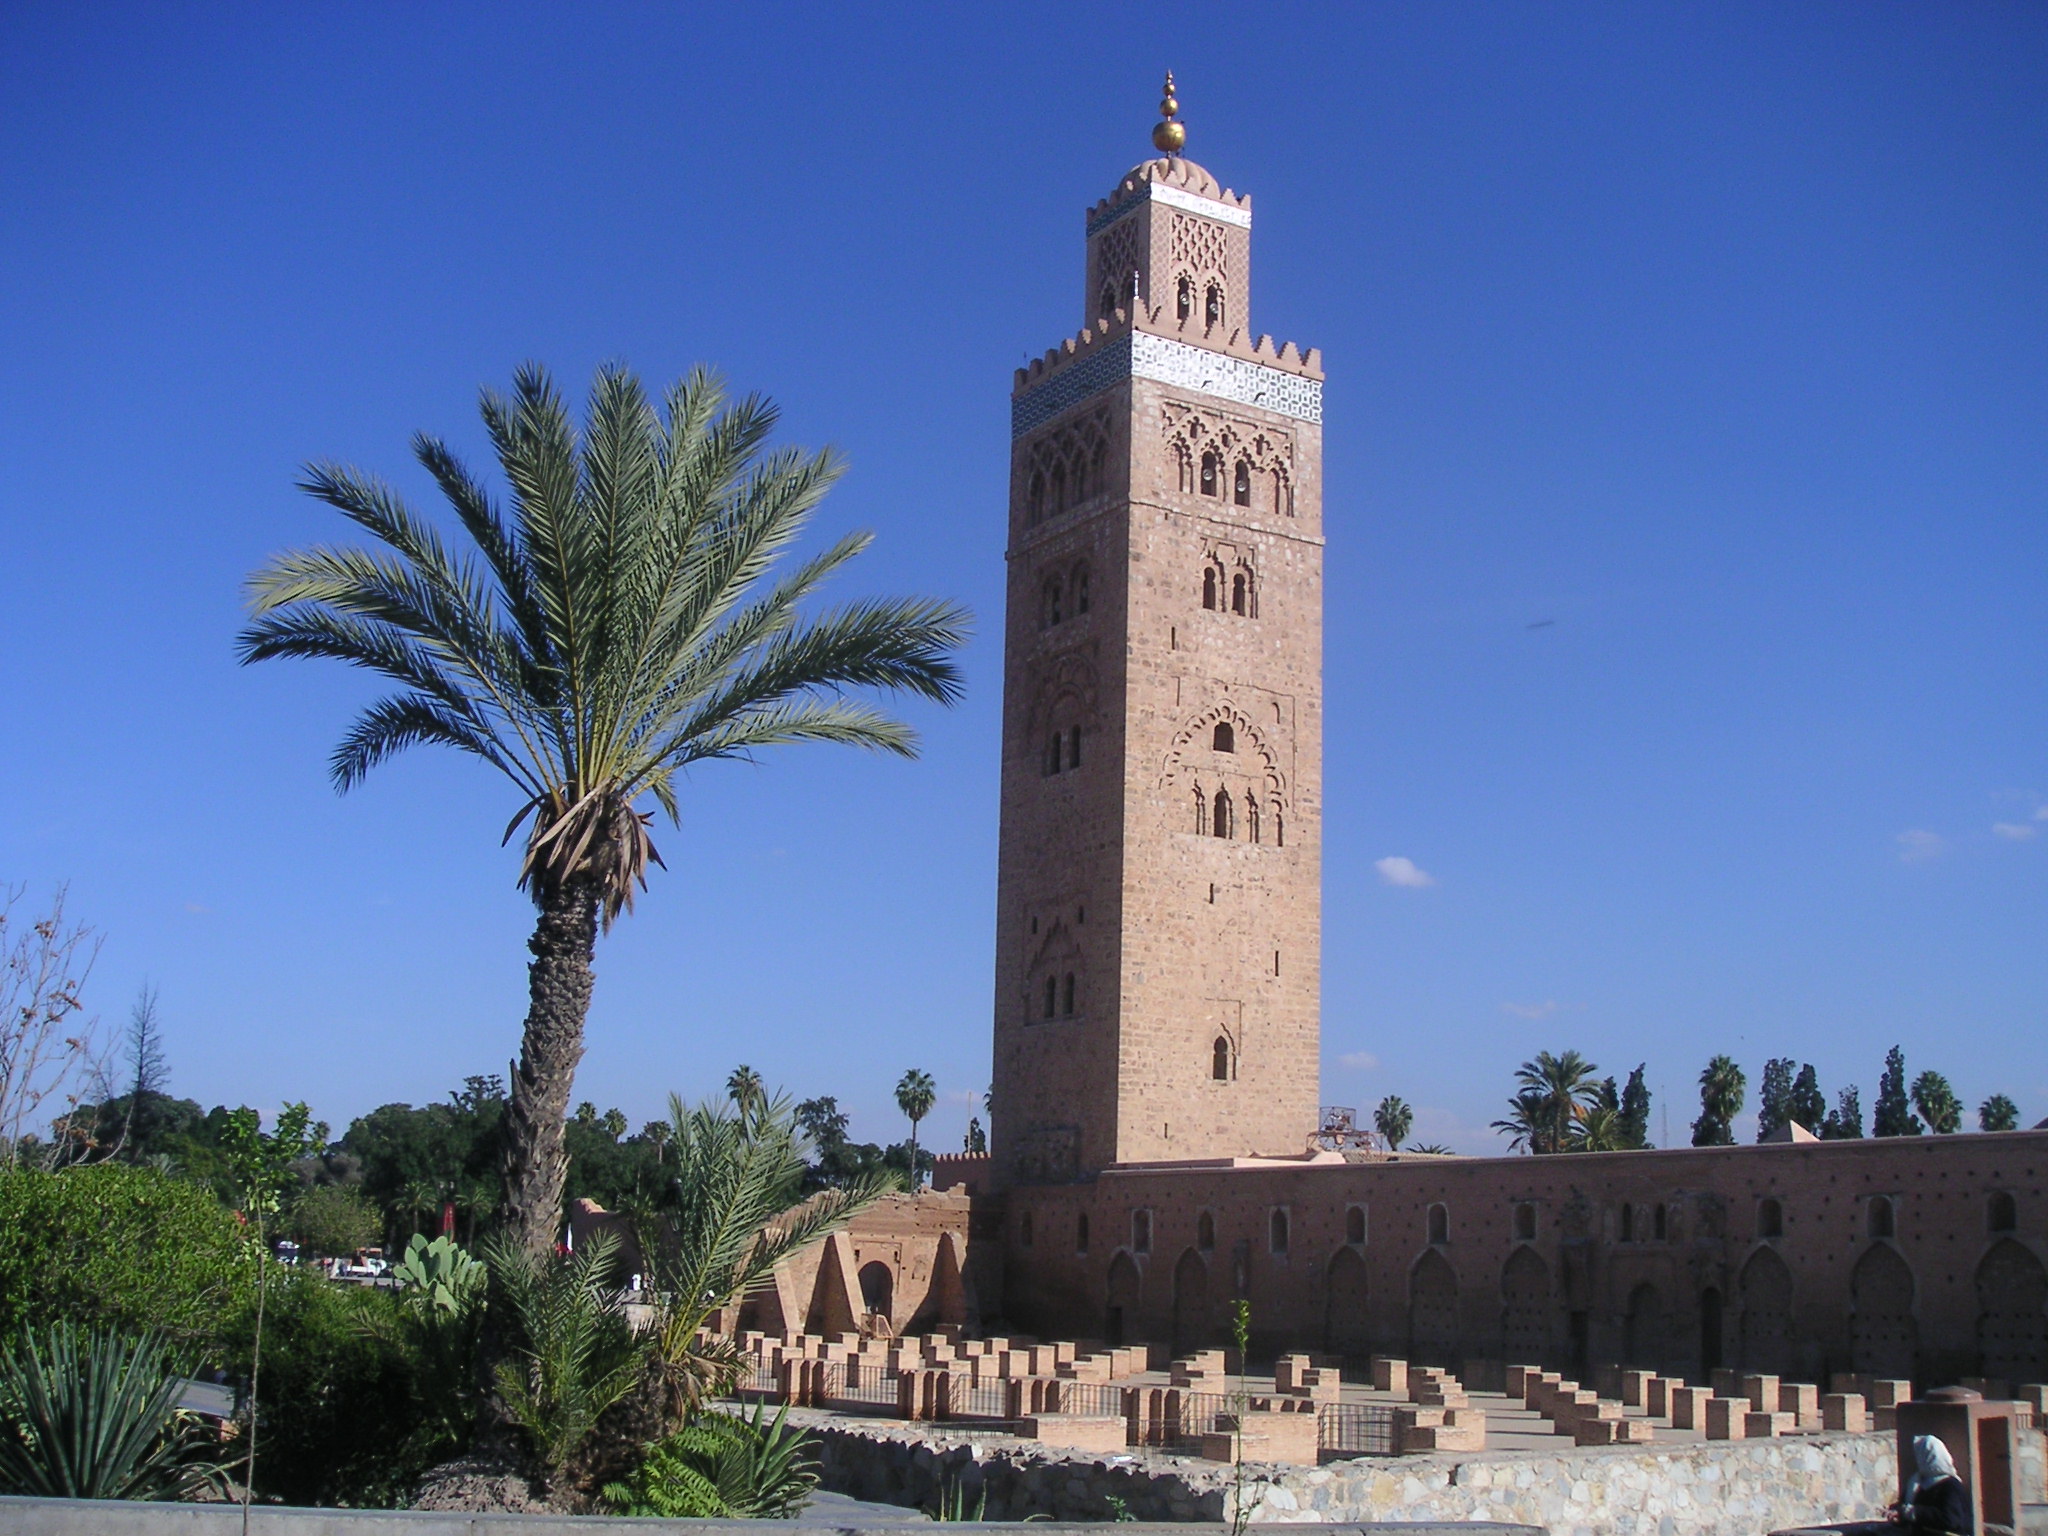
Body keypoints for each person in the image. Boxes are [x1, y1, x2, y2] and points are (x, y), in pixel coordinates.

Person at [1892, 1434, 1971, 1535]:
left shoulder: (1951, 1486)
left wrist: (1912, 1512)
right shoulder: (1916, 1483)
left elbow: (1950, 1519)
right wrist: (1897, 1514)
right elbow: (1908, 1509)